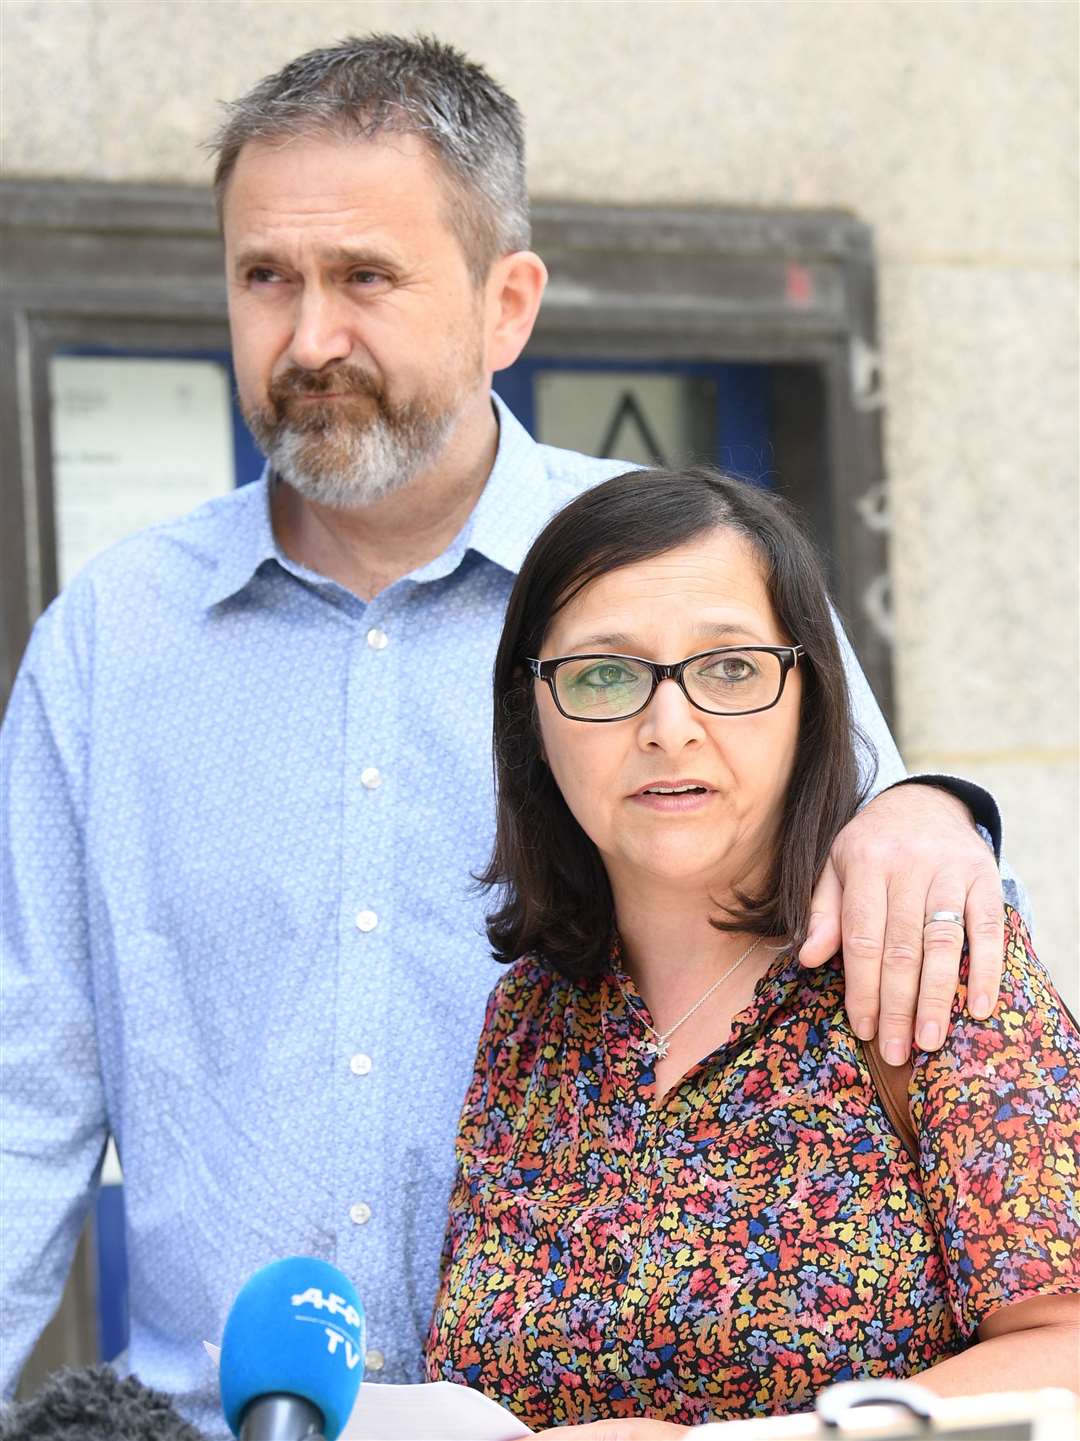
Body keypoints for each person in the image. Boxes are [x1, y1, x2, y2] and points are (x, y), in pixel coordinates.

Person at [0, 34, 1018, 1433]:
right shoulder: (109, 643)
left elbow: (900, 907)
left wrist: (935, 809)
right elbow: (23, 1090)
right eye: (264, 279)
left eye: (365, 276)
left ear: (508, 303)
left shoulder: (686, 578)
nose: (309, 340)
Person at [425, 467, 1080, 1436]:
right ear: (531, 717)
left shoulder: (922, 956)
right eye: (604, 674)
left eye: (730, 668)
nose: (668, 728)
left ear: (808, 697)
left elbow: (1066, 1350)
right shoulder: (530, 1020)